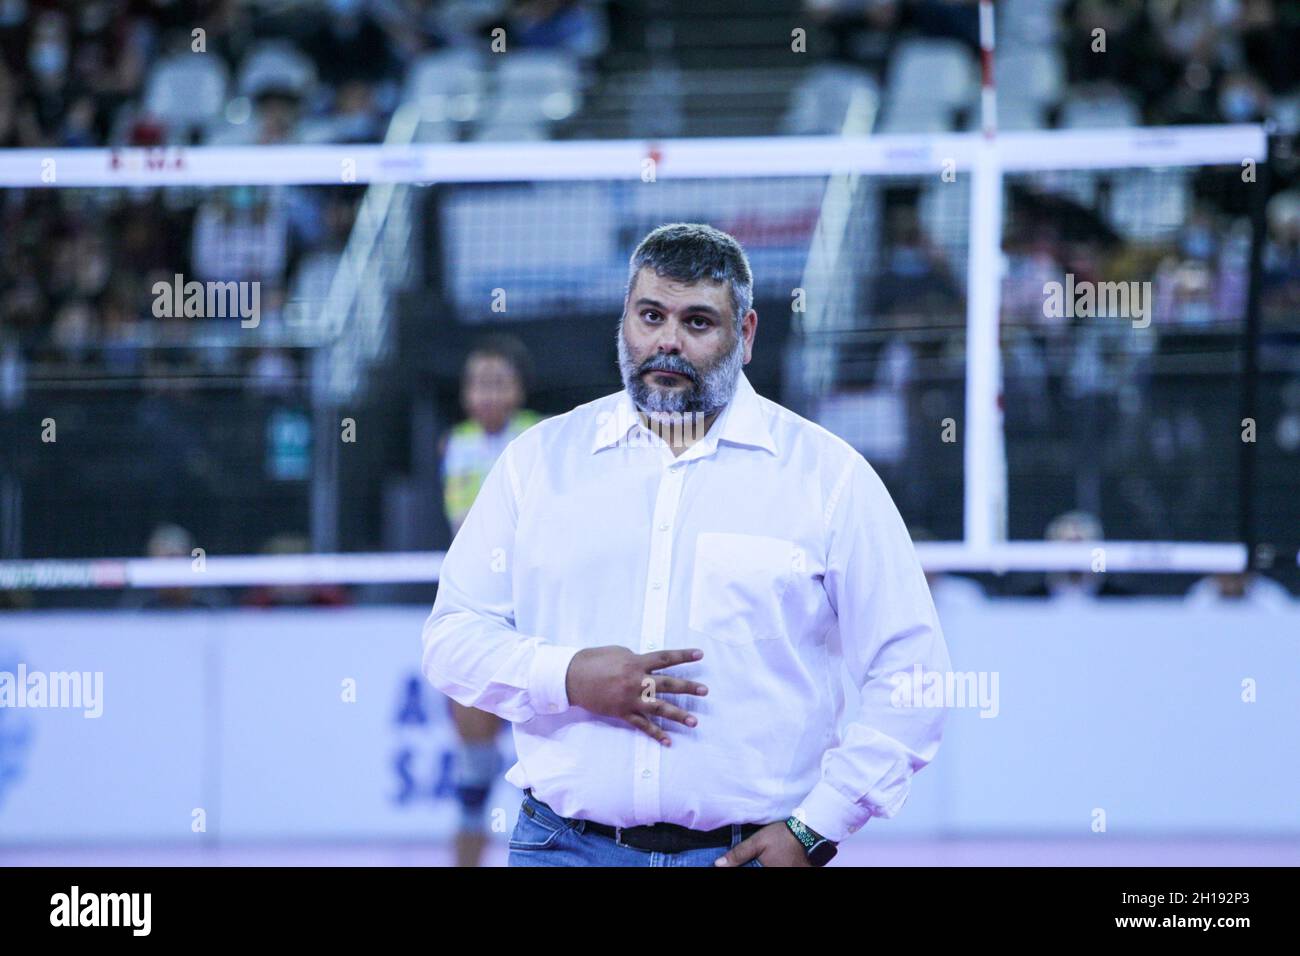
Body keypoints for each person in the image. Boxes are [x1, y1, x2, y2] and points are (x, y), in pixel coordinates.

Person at [422, 223, 950, 867]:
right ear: (624, 322)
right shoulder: (536, 464)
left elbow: (913, 675)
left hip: (747, 854)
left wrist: (818, 827)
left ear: (746, 335)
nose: (667, 341)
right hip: (561, 848)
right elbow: (451, 639)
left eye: (698, 322)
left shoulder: (827, 477)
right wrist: (569, 676)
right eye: (651, 316)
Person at [437, 335, 544, 867]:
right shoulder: (455, 444)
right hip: (483, 613)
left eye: (499, 382)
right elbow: (463, 527)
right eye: (479, 382)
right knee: (475, 772)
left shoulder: (538, 438)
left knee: (552, 771)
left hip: (539, 617)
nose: (488, 392)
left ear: (519, 390)